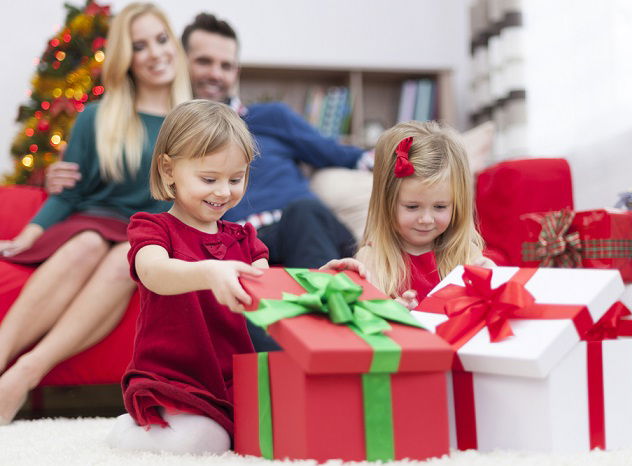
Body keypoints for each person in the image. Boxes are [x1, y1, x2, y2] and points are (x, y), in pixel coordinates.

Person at [106, 99, 360, 454]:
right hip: (175, 378)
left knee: (289, 427)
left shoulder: (244, 239)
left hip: (233, 381)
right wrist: (209, 271)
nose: (224, 191)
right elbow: (154, 273)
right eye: (209, 179)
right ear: (168, 171)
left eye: (236, 179)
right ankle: (128, 430)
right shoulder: (154, 228)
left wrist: (321, 279)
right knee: (208, 441)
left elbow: (272, 291)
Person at [49, 12, 374, 268]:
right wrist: (61, 179)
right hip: (234, 245)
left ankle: (326, 336)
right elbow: (125, 183)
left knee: (304, 213)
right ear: (179, 60)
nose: (216, 74)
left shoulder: (270, 117)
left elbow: (346, 156)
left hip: (302, 229)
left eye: (226, 66)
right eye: (204, 62)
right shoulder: (168, 134)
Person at [0, 2, 191, 424]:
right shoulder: (95, 118)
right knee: (86, 243)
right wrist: (30, 235)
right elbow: (69, 194)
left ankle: (21, 377)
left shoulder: (193, 123)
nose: (156, 53)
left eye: (161, 40)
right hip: (90, 224)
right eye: (140, 46)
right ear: (126, 58)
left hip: (150, 236)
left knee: (129, 256)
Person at [355, 121, 494, 309]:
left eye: (440, 206)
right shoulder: (370, 260)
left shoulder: (467, 254)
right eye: (412, 207)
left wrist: (493, 284)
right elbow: (363, 325)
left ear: (457, 204)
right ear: (386, 203)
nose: (426, 219)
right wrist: (392, 312)